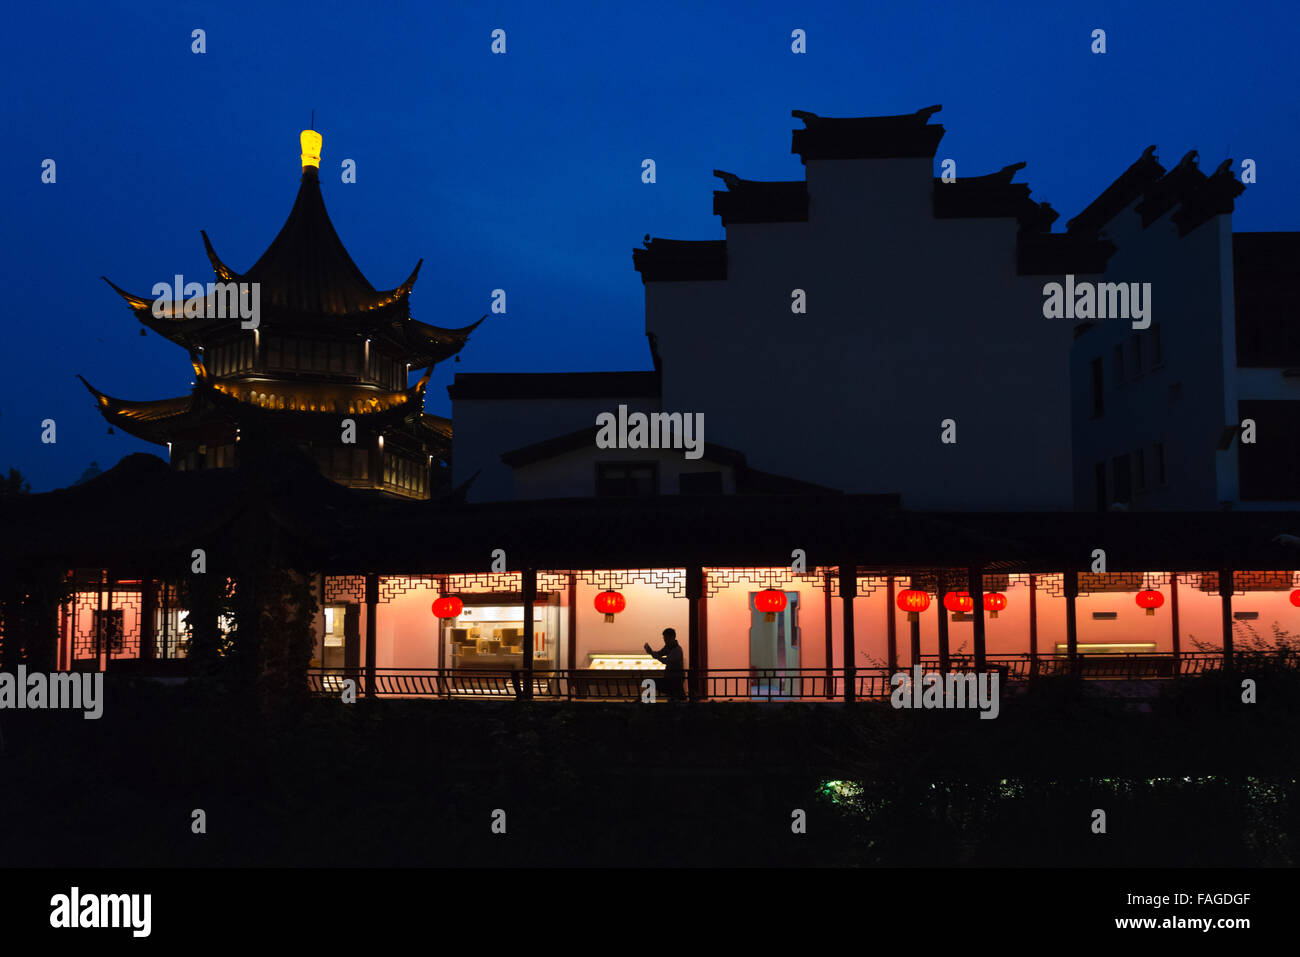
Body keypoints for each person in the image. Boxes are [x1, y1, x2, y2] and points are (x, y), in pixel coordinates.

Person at [644, 628, 686, 700]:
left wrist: (652, 653)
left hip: (674, 679)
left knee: (651, 683)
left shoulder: (677, 650)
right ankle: (648, 701)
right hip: (671, 678)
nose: (665, 640)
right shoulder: (669, 647)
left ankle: (648, 702)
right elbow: (659, 654)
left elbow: (666, 661)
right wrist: (651, 652)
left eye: (666, 638)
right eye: (664, 638)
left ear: (672, 637)